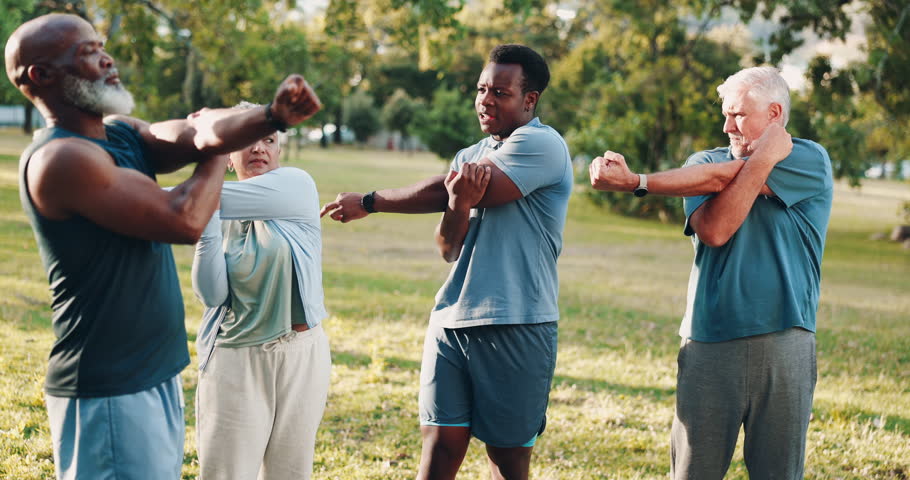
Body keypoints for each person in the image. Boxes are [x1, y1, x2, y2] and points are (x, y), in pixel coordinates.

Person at [4, 13, 320, 479]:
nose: (107, 58)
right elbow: (185, 217)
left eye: (101, 45)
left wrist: (270, 116)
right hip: (109, 384)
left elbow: (195, 136)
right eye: (87, 52)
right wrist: (218, 143)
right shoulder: (61, 159)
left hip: (154, 370)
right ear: (42, 76)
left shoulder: (123, 132)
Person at [321, 44, 572, 480]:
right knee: (438, 452)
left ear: (530, 100)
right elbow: (449, 247)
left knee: (507, 462)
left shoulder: (543, 145)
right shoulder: (469, 155)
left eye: (500, 92)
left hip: (516, 322)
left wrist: (370, 201)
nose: (485, 100)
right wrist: (458, 203)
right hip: (451, 322)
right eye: (480, 89)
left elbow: (447, 188)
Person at [588, 66, 833, 479]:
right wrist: (764, 156)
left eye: (737, 115)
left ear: (774, 114)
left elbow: (726, 179)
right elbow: (717, 230)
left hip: (785, 340)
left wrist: (638, 182)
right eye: (725, 114)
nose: (726, 126)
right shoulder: (701, 164)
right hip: (709, 341)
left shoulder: (810, 158)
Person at [190, 102, 331, 480]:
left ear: (279, 151)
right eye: (247, 140)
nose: (259, 149)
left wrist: (199, 201)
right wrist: (207, 226)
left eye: (268, 139)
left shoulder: (296, 187)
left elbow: (181, 199)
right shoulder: (215, 206)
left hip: (302, 356)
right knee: (226, 472)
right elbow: (213, 296)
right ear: (228, 157)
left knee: (290, 473)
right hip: (235, 360)